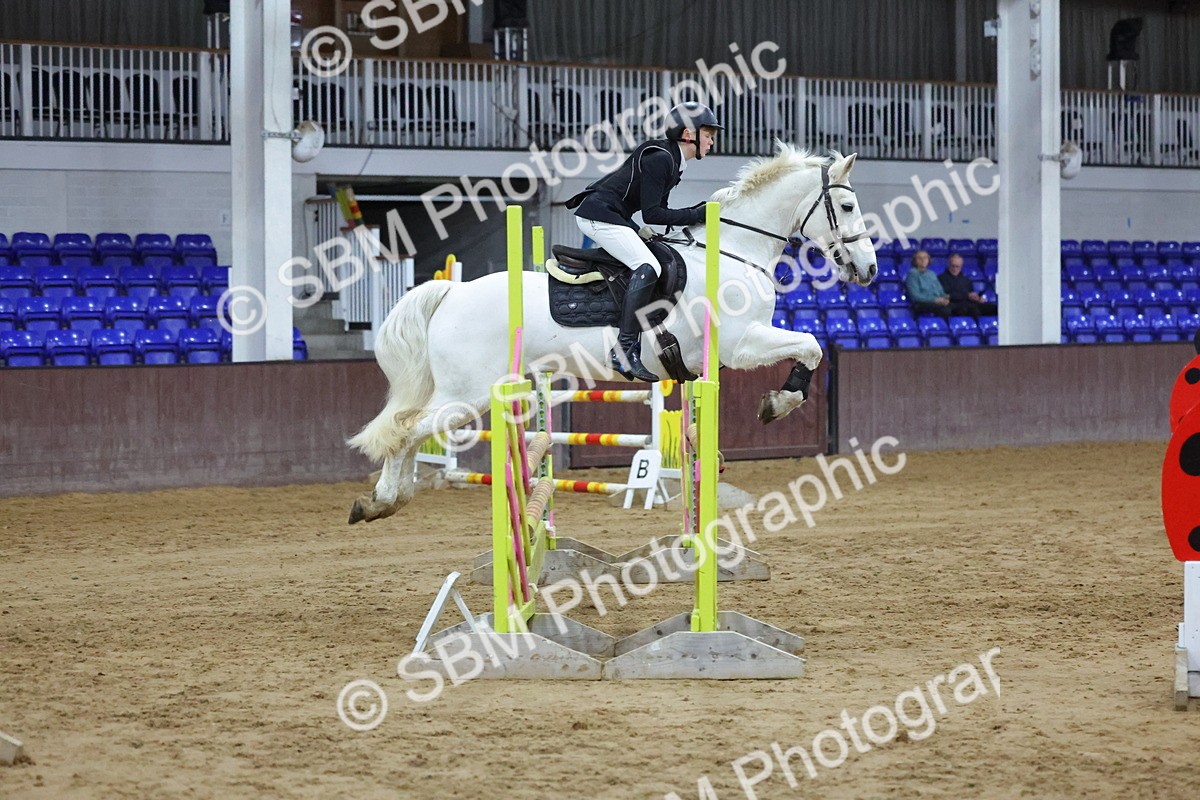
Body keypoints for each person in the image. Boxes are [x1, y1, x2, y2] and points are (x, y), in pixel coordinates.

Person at [566, 101, 722, 381]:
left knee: (655, 257)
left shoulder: (675, 162)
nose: (712, 142)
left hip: (614, 215)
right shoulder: (661, 158)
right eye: (709, 135)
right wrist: (698, 214)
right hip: (597, 215)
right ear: (689, 134)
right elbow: (653, 213)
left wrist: (694, 215)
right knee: (648, 266)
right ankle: (624, 349)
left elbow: (657, 213)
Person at [938, 252, 998, 318]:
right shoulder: (941, 278)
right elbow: (946, 295)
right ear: (949, 265)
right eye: (953, 266)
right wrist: (967, 295)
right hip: (953, 305)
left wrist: (977, 298)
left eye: (957, 266)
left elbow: (971, 293)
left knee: (993, 308)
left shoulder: (966, 280)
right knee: (971, 310)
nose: (955, 269)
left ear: (961, 266)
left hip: (969, 303)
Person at [904, 249, 952, 319]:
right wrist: (935, 300)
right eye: (920, 258)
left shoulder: (932, 274)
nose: (923, 260)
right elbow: (915, 296)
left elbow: (940, 291)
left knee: (959, 306)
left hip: (937, 301)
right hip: (922, 303)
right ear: (915, 261)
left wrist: (945, 297)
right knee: (945, 310)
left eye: (925, 258)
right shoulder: (912, 274)